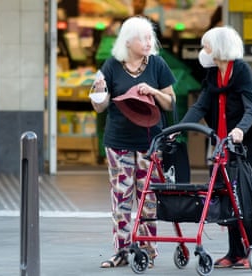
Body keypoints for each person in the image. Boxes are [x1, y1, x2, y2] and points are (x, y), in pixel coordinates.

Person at [180, 26, 252, 269]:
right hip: (225, 144)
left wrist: (241, 129)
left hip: (251, 144)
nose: (204, 51)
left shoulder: (241, 70)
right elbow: (200, 106)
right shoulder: (213, 73)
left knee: (249, 197)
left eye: (206, 46)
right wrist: (178, 129)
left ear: (219, 48)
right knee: (228, 196)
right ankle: (234, 252)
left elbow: (251, 106)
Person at [91, 16, 176, 268]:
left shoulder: (158, 65)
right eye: (143, 38)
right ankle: (122, 250)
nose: (149, 42)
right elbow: (100, 107)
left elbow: (171, 102)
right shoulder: (111, 66)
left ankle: (149, 251)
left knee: (148, 199)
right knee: (121, 198)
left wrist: (154, 91)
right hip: (118, 141)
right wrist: (98, 92)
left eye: (151, 37)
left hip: (150, 143)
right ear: (128, 41)